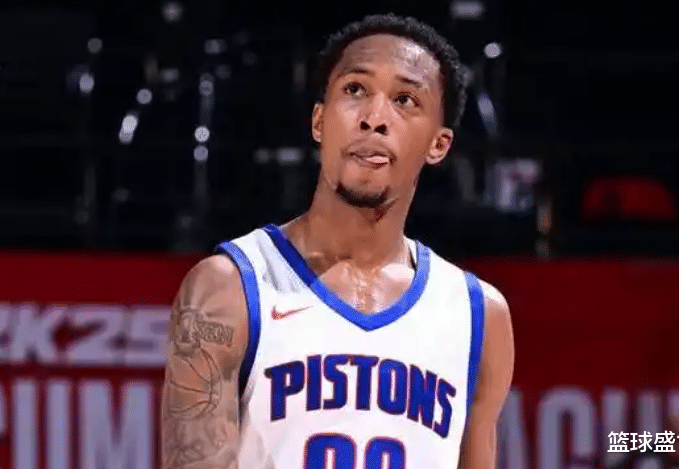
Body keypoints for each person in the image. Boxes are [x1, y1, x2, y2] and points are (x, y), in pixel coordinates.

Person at [160, 13, 515, 469]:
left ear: (438, 144)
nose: (374, 118)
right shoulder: (228, 289)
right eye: (355, 90)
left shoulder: (480, 315)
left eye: (405, 99)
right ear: (319, 121)